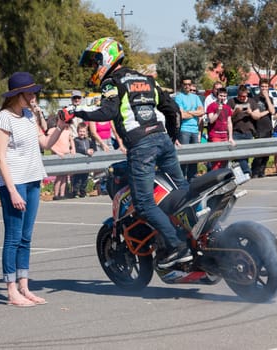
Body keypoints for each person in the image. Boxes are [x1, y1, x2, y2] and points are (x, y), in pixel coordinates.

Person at [74, 37, 192, 268]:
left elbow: (107, 111)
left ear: (107, 57)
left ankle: (177, 246)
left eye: (96, 60)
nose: (95, 66)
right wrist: (171, 136)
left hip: (141, 146)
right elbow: (173, 110)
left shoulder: (112, 82)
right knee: (182, 191)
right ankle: (196, 234)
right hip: (162, 141)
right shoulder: (146, 80)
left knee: (144, 204)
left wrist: (78, 112)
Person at [0, 71, 67, 306]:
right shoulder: (3, 118)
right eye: (31, 92)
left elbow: (45, 143)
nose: (35, 95)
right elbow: (1, 158)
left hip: (33, 179)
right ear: (18, 94)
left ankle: (24, 286)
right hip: (15, 183)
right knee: (13, 237)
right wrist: (13, 190)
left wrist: (60, 126)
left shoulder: (27, 115)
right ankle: (11, 289)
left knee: (26, 237)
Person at [175, 78, 204, 181]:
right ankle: (182, 179)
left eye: (189, 84)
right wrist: (195, 112)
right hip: (184, 130)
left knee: (194, 157)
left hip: (195, 130)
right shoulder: (178, 97)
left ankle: (192, 179)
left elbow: (202, 112)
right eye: (185, 84)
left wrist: (189, 112)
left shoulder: (195, 97)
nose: (187, 86)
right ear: (182, 85)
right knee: (184, 157)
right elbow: (182, 115)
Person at [228, 85, 258, 175]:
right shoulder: (231, 101)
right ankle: (247, 171)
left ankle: (243, 173)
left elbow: (257, 116)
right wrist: (235, 112)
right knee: (238, 154)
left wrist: (250, 112)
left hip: (248, 132)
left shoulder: (252, 102)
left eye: (244, 96)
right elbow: (228, 117)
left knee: (245, 155)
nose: (241, 98)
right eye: (240, 96)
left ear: (247, 94)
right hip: (236, 132)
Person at [48, 109, 75, 200]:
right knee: (59, 176)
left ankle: (62, 194)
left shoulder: (68, 130)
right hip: (57, 155)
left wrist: (73, 150)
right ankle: (56, 194)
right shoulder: (52, 130)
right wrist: (57, 152)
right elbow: (48, 144)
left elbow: (71, 141)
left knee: (64, 176)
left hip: (66, 154)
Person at [205, 87, 235, 170]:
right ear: (217, 96)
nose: (223, 98)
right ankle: (214, 177)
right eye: (221, 96)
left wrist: (231, 137)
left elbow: (229, 123)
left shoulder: (227, 107)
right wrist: (218, 112)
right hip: (215, 135)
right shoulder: (211, 106)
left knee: (224, 159)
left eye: (224, 96)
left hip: (224, 135)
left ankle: (223, 177)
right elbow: (211, 120)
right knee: (216, 160)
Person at [251, 79, 275, 178]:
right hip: (259, 128)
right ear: (259, 87)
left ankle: (262, 170)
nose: (264, 89)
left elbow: (272, 111)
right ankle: (255, 170)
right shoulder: (254, 99)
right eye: (262, 87)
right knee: (259, 151)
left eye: (266, 87)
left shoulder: (270, 99)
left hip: (268, 127)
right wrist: (266, 112)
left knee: (267, 152)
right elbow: (257, 115)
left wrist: (267, 98)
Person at [72, 122, 95, 198]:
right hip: (78, 163)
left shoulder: (88, 140)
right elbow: (78, 149)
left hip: (86, 163)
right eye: (80, 131)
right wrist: (86, 151)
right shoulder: (75, 140)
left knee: (85, 178)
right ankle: (75, 191)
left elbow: (93, 147)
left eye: (83, 131)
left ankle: (83, 191)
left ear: (86, 132)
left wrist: (92, 150)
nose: (82, 133)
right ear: (77, 132)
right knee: (77, 178)